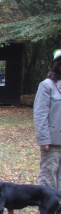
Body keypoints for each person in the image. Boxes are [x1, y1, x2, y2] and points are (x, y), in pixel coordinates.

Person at [34, 49, 61, 191]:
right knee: (48, 176)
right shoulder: (46, 85)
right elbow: (40, 114)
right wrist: (43, 139)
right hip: (52, 142)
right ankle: (47, 209)